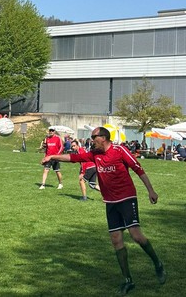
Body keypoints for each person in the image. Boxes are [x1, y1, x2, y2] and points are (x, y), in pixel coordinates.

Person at [41, 126, 166, 295]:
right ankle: (128, 281)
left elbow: (139, 169)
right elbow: (73, 157)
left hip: (127, 198)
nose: (92, 141)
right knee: (116, 240)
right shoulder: (94, 154)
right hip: (110, 202)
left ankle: (158, 263)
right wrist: (52, 156)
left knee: (136, 235)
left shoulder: (119, 150)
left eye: (94, 137)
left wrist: (151, 191)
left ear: (103, 138)